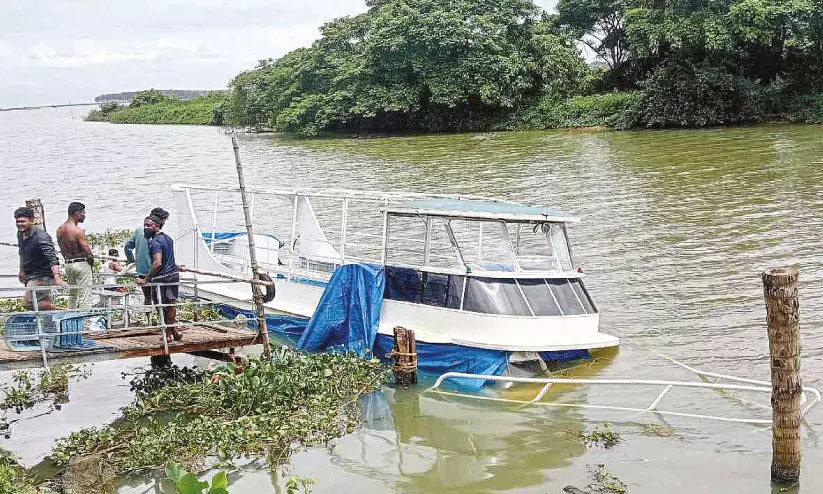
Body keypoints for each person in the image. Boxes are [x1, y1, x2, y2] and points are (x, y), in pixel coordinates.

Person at [136, 215, 182, 342]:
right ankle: (173, 332)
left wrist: (146, 279)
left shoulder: (155, 241)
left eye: (149, 225)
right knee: (171, 305)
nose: (146, 228)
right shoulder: (168, 238)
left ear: (156, 226)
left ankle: (167, 335)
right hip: (173, 275)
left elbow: (157, 263)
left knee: (161, 306)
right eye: (145, 225)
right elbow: (169, 258)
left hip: (162, 278)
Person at [15, 207, 65, 310]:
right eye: (18, 222)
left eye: (23, 221)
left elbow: (52, 258)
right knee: (41, 302)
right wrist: (21, 270)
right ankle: (50, 323)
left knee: (28, 303)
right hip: (30, 274)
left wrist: (57, 278)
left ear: (32, 220)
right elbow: (22, 253)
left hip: (42, 275)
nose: (20, 224)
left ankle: (63, 310)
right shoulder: (20, 234)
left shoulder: (41, 236)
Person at [125, 207, 169, 305]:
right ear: (159, 221)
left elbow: (128, 247)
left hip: (142, 270)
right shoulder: (157, 235)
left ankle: (148, 318)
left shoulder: (139, 230)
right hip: (156, 271)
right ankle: (161, 318)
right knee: (160, 297)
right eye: (164, 221)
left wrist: (131, 260)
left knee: (148, 297)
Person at [56, 202, 95, 309]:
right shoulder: (78, 231)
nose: (84, 215)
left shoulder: (60, 229)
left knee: (73, 294)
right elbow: (88, 252)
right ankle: (85, 321)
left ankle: (71, 316)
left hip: (68, 264)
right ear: (77, 213)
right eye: (83, 212)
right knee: (85, 295)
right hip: (81, 264)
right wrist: (91, 264)